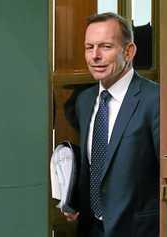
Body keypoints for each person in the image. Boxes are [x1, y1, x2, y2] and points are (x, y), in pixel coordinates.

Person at [65, 12, 159, 237]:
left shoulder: (156, 101)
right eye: (89, 47)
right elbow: (99, 165)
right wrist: (75, 198)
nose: (95, 56)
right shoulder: (85, 101)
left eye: (105, 46)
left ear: (129, 51)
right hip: (92, 230)